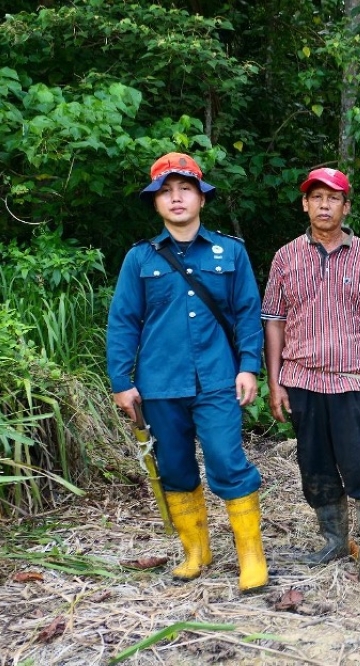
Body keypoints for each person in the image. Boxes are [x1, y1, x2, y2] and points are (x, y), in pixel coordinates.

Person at [107, 152, 267, 593]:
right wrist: (122, 381)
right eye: (166, 191)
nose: (176, 198)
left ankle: (251, 556)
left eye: (185, 189)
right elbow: (124, 321)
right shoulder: (140, 259)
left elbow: (248, 313)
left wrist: (249, 367)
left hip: (218, 378)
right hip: (160, 384)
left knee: (227, 462)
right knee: (174, 468)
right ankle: (196, 551)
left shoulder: (229, 252)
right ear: (156, 203)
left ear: (201, 198)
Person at [261, 167, 360, 588]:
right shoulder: (285, 257)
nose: (324, 204)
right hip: (301, 378)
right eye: (316, 197)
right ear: (305, 203)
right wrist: (275, 380)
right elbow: (274, 322)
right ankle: (335, 540)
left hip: (353, 378)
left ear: (346, 206)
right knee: (314, 466)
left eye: (333, 197)